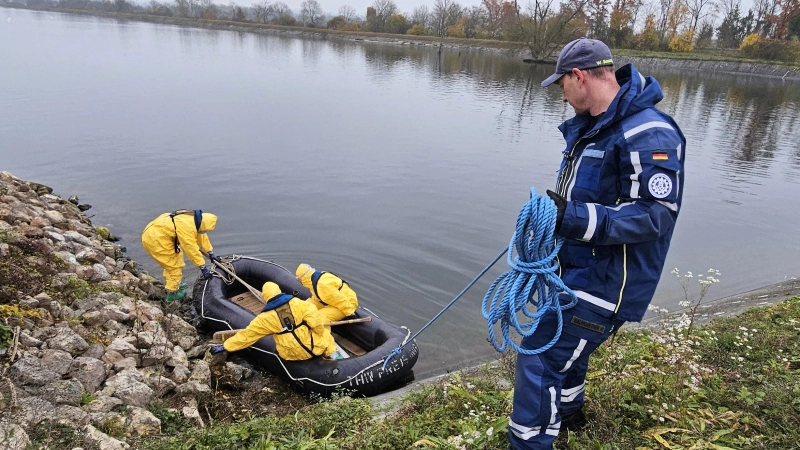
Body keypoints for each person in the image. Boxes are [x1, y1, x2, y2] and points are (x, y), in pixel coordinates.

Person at [507, 37, 686, 450]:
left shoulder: (648, 132)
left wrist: (567, 216)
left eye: (562, 84)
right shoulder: (593, 129)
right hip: (577, 273)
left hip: (609, 283)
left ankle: (528, 444)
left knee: (540, 355)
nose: (562, 95)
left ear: (580, 76)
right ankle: (571, 417)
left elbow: (654, 215)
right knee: (569, 353)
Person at [207, 281, 337, 362]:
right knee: (325, 331)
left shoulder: (264, 319)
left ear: (265, 297)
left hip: (291, 355)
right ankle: (331, 353)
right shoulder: (299, 304)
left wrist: (225, 346)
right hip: (315, 348)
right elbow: (317, 323)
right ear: (279, 291)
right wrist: (317, 332)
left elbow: (247, 336)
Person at [141, 209, 220, 303]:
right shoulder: (186, 227)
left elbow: (200, 236)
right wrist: (202, 266)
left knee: (174, 260)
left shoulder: (192, 218)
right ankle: (172, 293)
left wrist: (210, 252)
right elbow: (190, 248)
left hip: (156, 234)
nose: (204, 231)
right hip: (156, 240)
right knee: (174, 265)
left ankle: (174, 283)